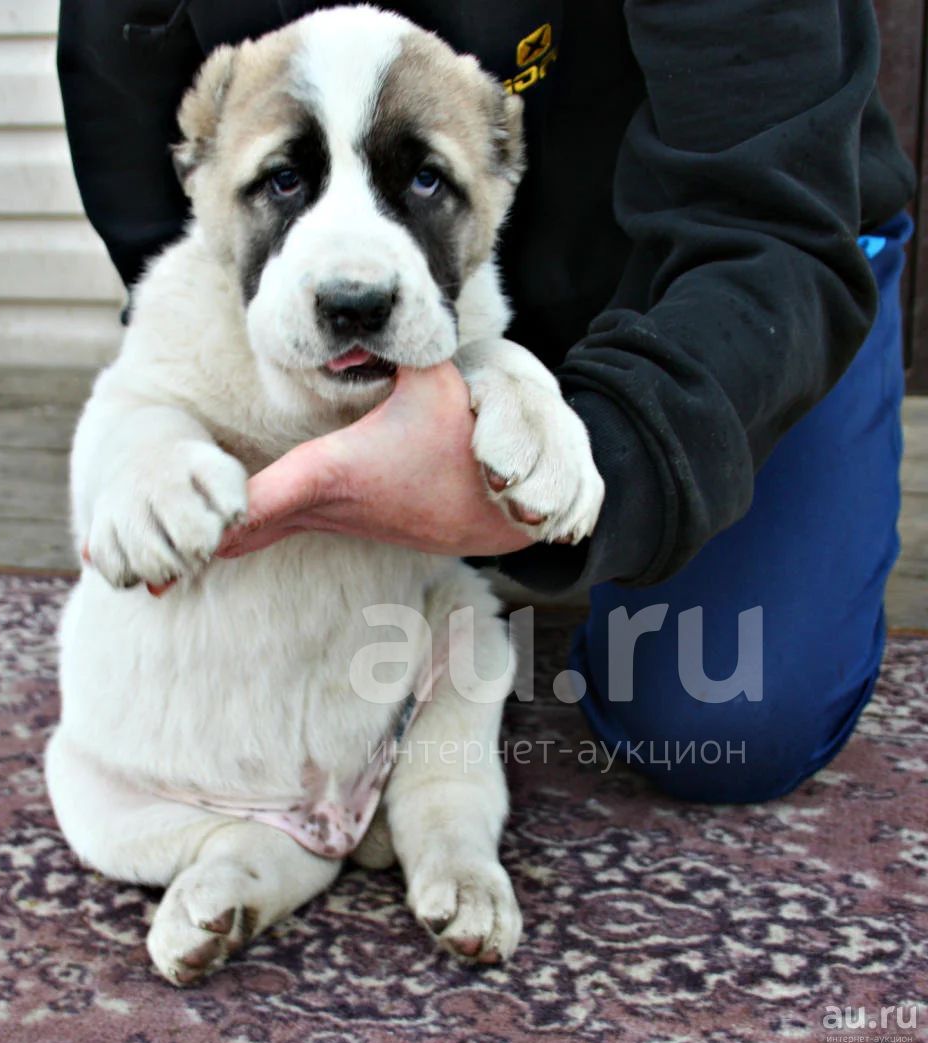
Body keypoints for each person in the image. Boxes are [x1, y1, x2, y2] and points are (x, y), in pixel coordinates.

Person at [57, 0, 916, 804]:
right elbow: (150, 185)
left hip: (727, 274)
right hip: (406, 301)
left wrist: (617, 460)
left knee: (730, 720)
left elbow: (767, 223)